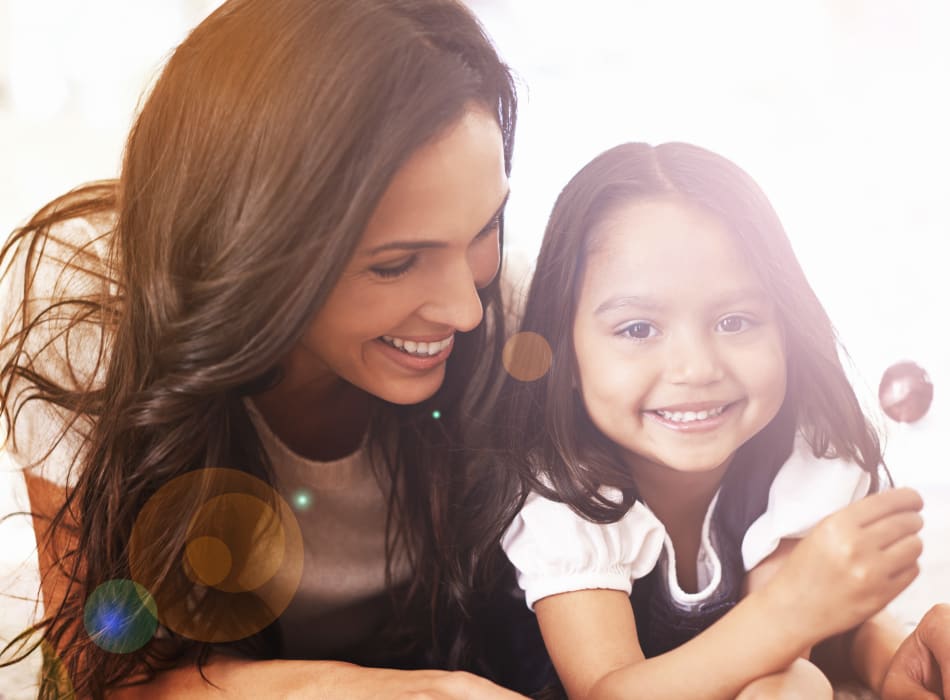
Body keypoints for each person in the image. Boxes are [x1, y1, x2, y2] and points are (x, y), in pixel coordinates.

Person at [0, 0, 542, 697]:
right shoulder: (89, 298)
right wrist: (390, 692)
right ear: (255, 244)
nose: (465, 309)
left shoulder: (514, 315)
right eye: (395, 263)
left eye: (484, 227)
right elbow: (99, 674)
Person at [492, 141, 947, 699]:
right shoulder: (564, 497)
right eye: (638, 329)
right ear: (565, 353)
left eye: (735, 321)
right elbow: (607, 692)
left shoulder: (805, 460)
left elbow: (810, 639)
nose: (696, 368)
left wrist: (889, 663)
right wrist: (788, 610)